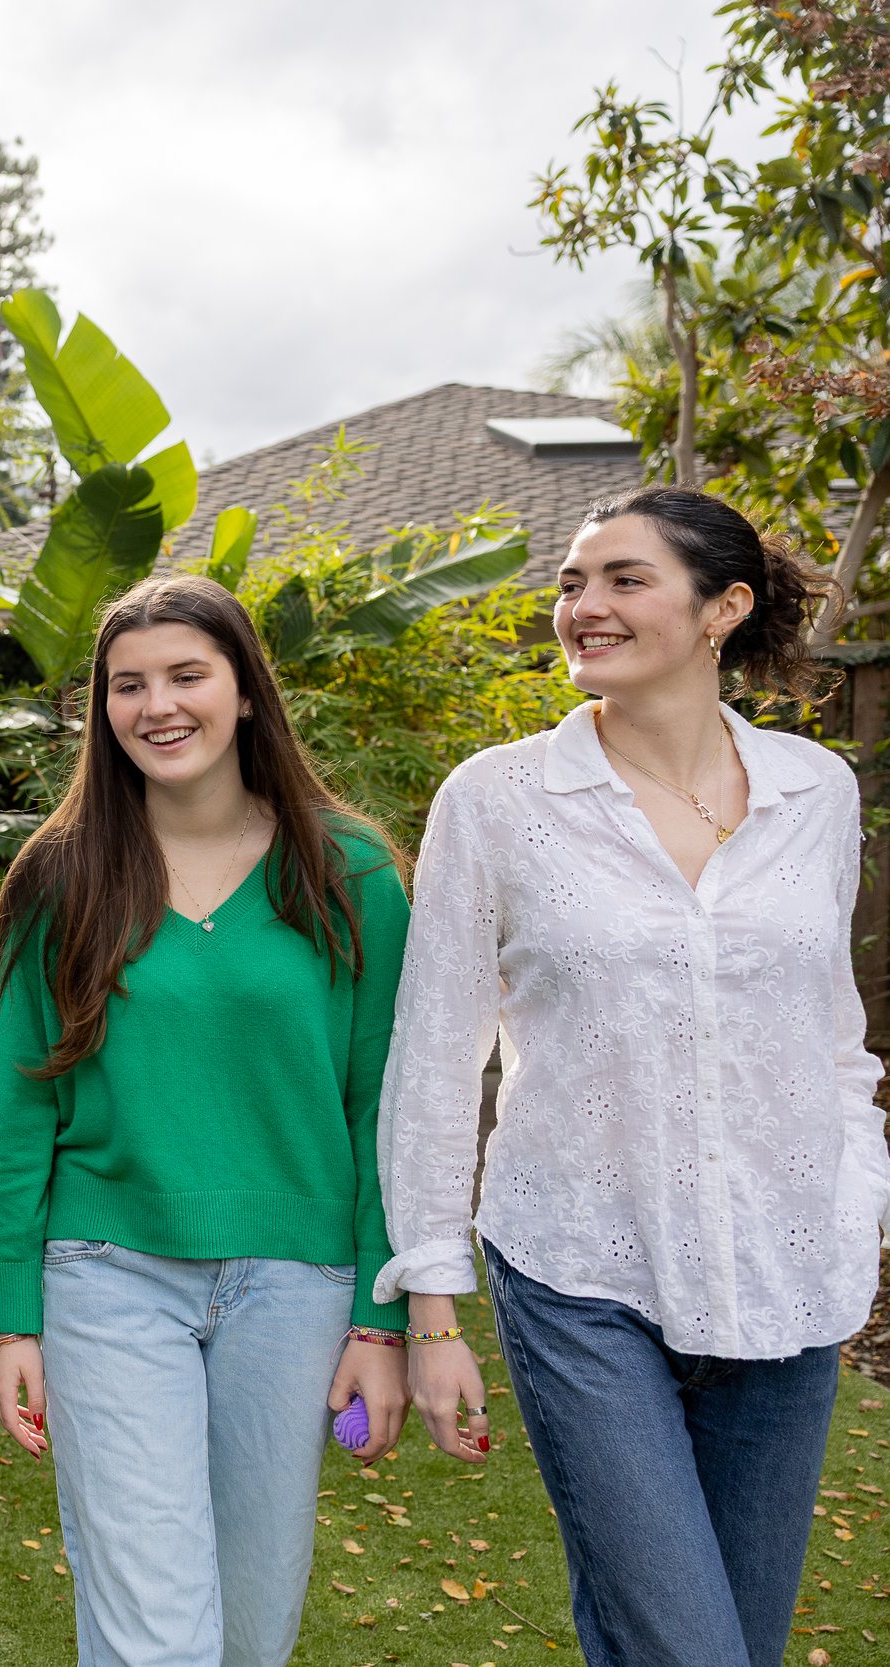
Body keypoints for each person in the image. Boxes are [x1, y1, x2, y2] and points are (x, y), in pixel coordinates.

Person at [378, 487, 890, 1667]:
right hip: (580, 1273)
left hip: (787, 1278)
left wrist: (856, 1203)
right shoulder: (496, 799)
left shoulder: (816, 791)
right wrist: (432, 1299)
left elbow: (833, 1038)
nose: (583, 606)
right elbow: (435, 1058)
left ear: (723, 607)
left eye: (622, 579)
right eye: (571, 582)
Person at [0, 573, 412, 1667]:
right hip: (105, 1274)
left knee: (253, 1631)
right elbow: (20, 1105)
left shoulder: (352, 871)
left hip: (297, 1286)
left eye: (185, 675)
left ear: (245, 690)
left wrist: (381, 1319)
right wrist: (10, 1316)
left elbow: (384, 1111)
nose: (157, 705)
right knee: (156, 1635)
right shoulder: (62, 874)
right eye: (128, 684)